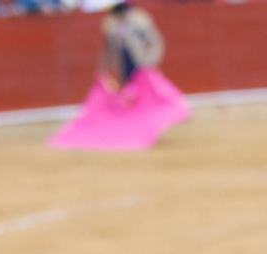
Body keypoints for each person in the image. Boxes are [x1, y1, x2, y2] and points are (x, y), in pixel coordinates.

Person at [48, 0, 188, 151]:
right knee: (131, 100)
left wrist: (150, 61)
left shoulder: (140, 20)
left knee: (145, 98)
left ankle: (148, 127)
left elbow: (154, 41)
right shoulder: (111, 23)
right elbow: (108, 49)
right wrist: (105, 68)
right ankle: (135, 129)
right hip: (124, 66)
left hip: (141, 64)